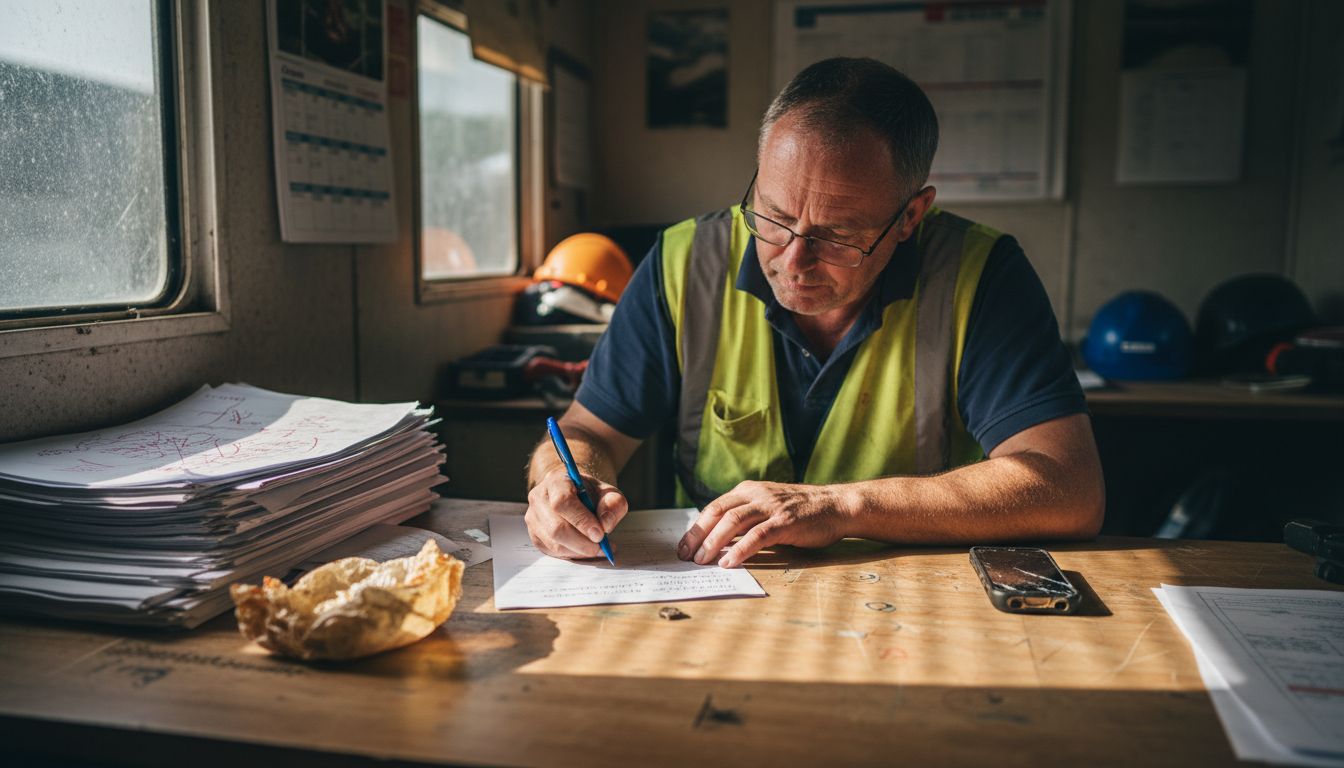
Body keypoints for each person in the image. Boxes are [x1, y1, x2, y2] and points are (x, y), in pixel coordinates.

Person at [525, 57, 1104, 569]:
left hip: (920, 596)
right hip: (715, 587)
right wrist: (563, 477)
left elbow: (1069, 486)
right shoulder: (683, 264)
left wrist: (841, 506)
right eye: (773, 217)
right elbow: (586, 429)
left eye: (838, 235)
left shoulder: (979, 277)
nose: (793, 260)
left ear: (910, 217)